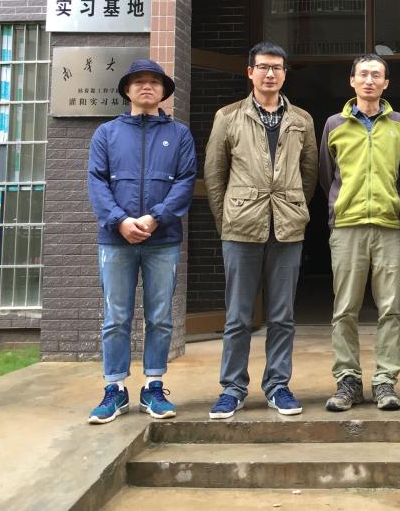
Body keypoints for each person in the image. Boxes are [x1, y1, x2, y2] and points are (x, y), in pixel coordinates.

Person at [203, 41, 317, 418]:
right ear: (250, 71)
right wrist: (227, 219)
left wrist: (292, 207)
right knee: (238, 316)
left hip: (287, 227)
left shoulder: (301, 119)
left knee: (282, 315)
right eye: (263, 67)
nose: (270, 74)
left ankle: (278, 385)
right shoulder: (228, 116)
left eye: (277, 68)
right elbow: (215, 175)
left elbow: (309, 173)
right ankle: (232, 388)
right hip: (241, 227)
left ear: (285, 73)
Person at [86, 59, 197, 424]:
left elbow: (185, 181)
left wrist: (155, 217)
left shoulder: (179, 134)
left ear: (164, 91)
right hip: (115, 240)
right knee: (116, 316)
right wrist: (119, 221)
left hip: (162, 239)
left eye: (154, 82)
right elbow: (97, 181)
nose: (146, 86)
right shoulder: (107, 133)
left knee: (160, 317)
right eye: (139, 81)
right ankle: (115, 389)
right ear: (127, 90)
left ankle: (153, 386)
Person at [318, 54, 400, 411]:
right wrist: (344, 203)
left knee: (391, 309)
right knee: (345, 308)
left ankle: (385, 382)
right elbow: (326, 175)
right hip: (347, 226)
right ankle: (348, 381)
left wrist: (393, 202)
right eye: (363, 74)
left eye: (377, 75)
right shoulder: (334, 124)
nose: (369, 80)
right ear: (352, 81)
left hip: (389, 226)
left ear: (386, 83)